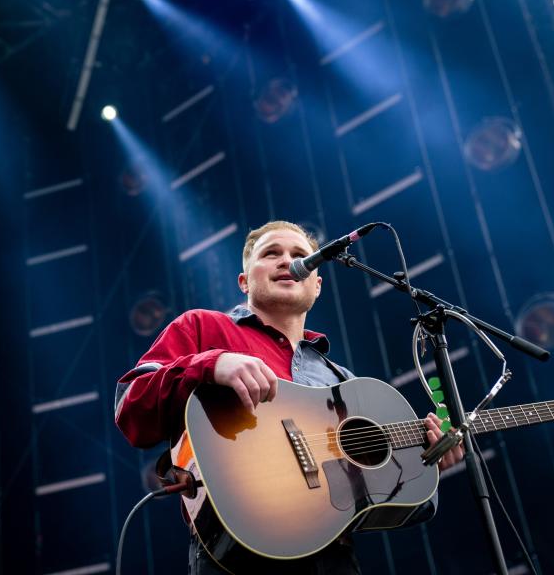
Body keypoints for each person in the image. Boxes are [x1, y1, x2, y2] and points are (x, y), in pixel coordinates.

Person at [114, 220, 464, 574]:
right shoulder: (203, 327)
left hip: (334, 558)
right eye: (271, 253)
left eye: (300, 255)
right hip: (235, 552)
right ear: (244, 281)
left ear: (317, 284)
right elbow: (131, 409)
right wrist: (212, 363)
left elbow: (379, 502)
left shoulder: (342, 380)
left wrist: (426, 462)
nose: (287, 260)